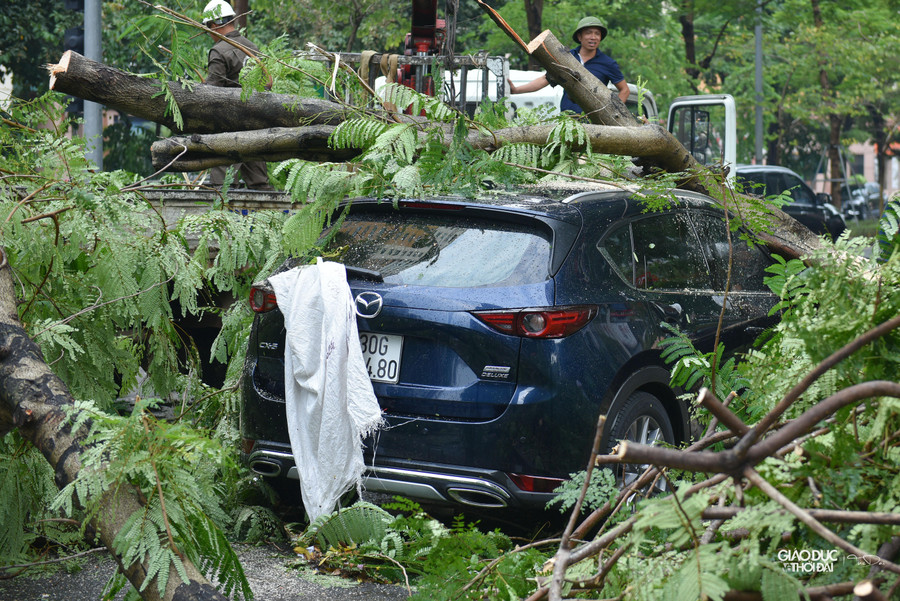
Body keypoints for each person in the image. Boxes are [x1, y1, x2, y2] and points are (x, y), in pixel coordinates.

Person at [202, 0, 272, 190]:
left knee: (222, 183)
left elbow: (212, 94)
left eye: (208, 28)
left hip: (228, 125)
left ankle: (223, 217)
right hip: (255, 122)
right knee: (259, 181)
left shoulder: (219, 51)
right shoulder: (252, 47)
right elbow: (264, 85)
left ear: (214, 25)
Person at [508, 16, 629, 115]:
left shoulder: (607, 63)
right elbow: (545, 79)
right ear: (579, 36)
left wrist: (613, 113)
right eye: (589, 33)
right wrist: (516, 90)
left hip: (596, 123)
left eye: (597, 34)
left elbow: (624, 90)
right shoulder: (566, 57)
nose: (593, 37)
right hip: (567, 120)